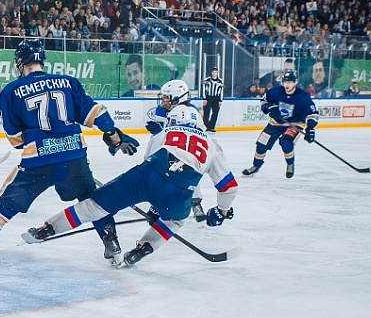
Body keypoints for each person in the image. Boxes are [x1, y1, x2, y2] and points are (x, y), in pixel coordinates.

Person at [0, 40, 139, 268]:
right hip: (74, 158)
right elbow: (96, 112)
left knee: (4, 207)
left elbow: (16, 139)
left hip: (38, 162)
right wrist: (113, 134)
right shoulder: (68, 82)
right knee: (92, 201)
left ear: (20, 63)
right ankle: (112, 242)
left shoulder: (10, 91)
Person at [33, 106, 238, 267]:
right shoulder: (211, 143)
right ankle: (143, 248)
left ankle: (49, 228)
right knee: (175, 221)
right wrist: (221, 211)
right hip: (179, 192)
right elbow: (229, 187)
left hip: (146, 176)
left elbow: (149, 159)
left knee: (94, 206)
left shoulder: (164, 132)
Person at [144, 79, 207, 221]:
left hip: (183, 150)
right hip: (177, 148)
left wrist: (160, 133)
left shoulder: (187, 113)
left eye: (167, 98)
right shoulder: (181, 111)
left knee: (179, 172)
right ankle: (166, 203)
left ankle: (194, 202)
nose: (164, 101)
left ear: (177, 98)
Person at [242, 71, 319, 178]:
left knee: (286, 142)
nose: (287, 85)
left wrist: (310, 128)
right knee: (261, 145)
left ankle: (290, 164)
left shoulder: (303, 96)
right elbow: (263, 101)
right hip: (275, 123)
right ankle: (255, 166)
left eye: (290, 82)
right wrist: (268, 107)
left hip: (294, 123)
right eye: (285, 82)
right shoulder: (275, 91)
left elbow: (312, 113)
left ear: (295, 82)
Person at [202, 67, 223, 132]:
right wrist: (204, 98)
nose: (214, 73)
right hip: (208, 97)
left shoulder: (220, 81)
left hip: (216, 98)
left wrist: (220, 100)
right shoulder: (207, 80)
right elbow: (204, 89)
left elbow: (221, 91)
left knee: (215, 113)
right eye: (213, 72)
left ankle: (212, 127)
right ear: (211, 73)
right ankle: (206, 126)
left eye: (216, 72)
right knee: (206, 112)